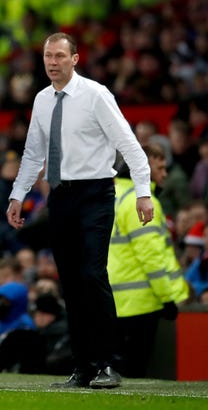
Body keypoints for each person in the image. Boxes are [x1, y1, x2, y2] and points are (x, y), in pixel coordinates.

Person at [6, 32, 154, 389]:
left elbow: (129, 144)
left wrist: (143, 192)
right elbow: (32, 154)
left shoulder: (96, 95)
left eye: (59, 56)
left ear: (75, 59)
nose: (52, 62)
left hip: (95, 193)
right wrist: (17, 194)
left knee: (91, 273)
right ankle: (84, 366)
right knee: (70, 283)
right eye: (47, 56)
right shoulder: (42, 100)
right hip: (60, 195)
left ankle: (108, 363)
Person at [108, 143, 190, 379]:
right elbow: (152, 259)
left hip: (117, 300)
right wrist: (167, 298)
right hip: (141, 303)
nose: (165, 174)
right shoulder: (140, 203)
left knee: (118, 378)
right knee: (135, 376)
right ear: (142, 168)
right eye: (160, 168)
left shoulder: (116, 197)